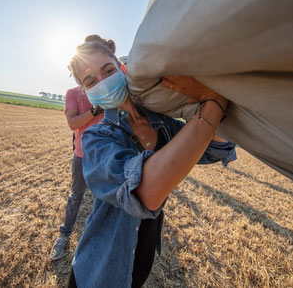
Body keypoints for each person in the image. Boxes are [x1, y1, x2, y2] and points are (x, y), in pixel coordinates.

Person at [66, 35, 236, 287]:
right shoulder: (96, 137)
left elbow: (212, 150)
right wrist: (214, 103)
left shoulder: (162, 121)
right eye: (90, 80)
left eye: (109, 70)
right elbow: (144, 191)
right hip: (101, 263)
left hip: (144, 245)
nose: (103, 82)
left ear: (122, 69)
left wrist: (201, 102)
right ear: (85, 92)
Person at [50, 86, 104, 260]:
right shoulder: (73, 93)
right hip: (81, 155)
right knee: (76, 196)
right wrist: (95, 110)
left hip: (105, 156)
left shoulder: (107, 90)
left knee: (103, 200)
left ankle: (98, 240)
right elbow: (73, 123)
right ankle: (64, 234)